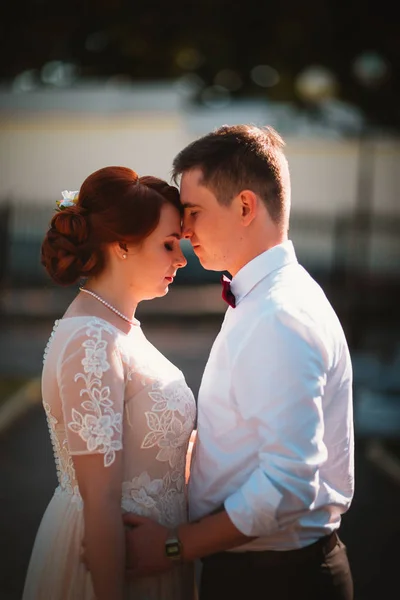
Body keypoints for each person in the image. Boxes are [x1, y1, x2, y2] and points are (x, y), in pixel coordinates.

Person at [122, 125, 355, 600]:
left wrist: (172, 545)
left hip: (276, 581)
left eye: (193, 213)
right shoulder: (265, 298)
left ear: (245, 206)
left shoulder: (279, 314)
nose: (184, 232)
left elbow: (287, 485)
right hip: (266, 571)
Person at [22, 166, 197, 600]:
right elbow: (99, 502)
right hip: (109, 561)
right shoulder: (91, 339)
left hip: (151, 553)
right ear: (122, 245)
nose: (181, 258)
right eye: (169, 244)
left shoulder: (118, 326)